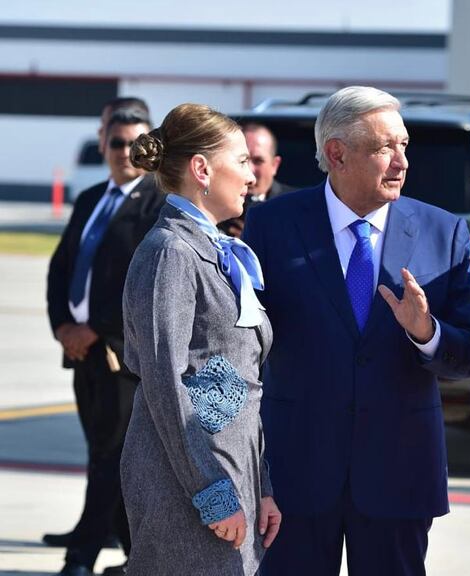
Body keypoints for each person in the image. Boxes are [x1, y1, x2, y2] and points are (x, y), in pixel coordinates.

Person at [243, 86, 470, 575]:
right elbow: (242, 347)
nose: (401, 160)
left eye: (404, 145)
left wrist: (427, 333)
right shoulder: (271, 225)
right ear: (336, 154)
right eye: (384, 148)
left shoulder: (444, 232)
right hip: (296, 472)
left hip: (398, 475)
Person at [121, 103, 281, 576]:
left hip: (230, 478)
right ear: (202, 170)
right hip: (186, 487)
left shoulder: (211, 248)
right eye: (241, 161)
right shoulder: (170, 251)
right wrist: (211, 492)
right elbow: (165, 384)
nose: (251, 175)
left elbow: (244, 380)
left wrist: (261, 483)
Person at [46, 106, 163, 576]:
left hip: (123, 354)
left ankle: (81, 557)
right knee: (104, 453)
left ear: (150, 148)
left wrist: (95, 327)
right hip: (82, 354)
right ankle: (140, 557)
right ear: (104, 146)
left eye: (135, 144)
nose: (125, 153)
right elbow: (61, 269)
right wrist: (63, 327)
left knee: (112, 456)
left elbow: (145, 281)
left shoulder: (159, 203)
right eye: (116, 144)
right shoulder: (91, 197)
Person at [217, 123, 292, 237]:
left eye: (258, 161)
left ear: (274, 165)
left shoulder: (295, 207)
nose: (249, 170)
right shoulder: (214, 206)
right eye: (242, 161)